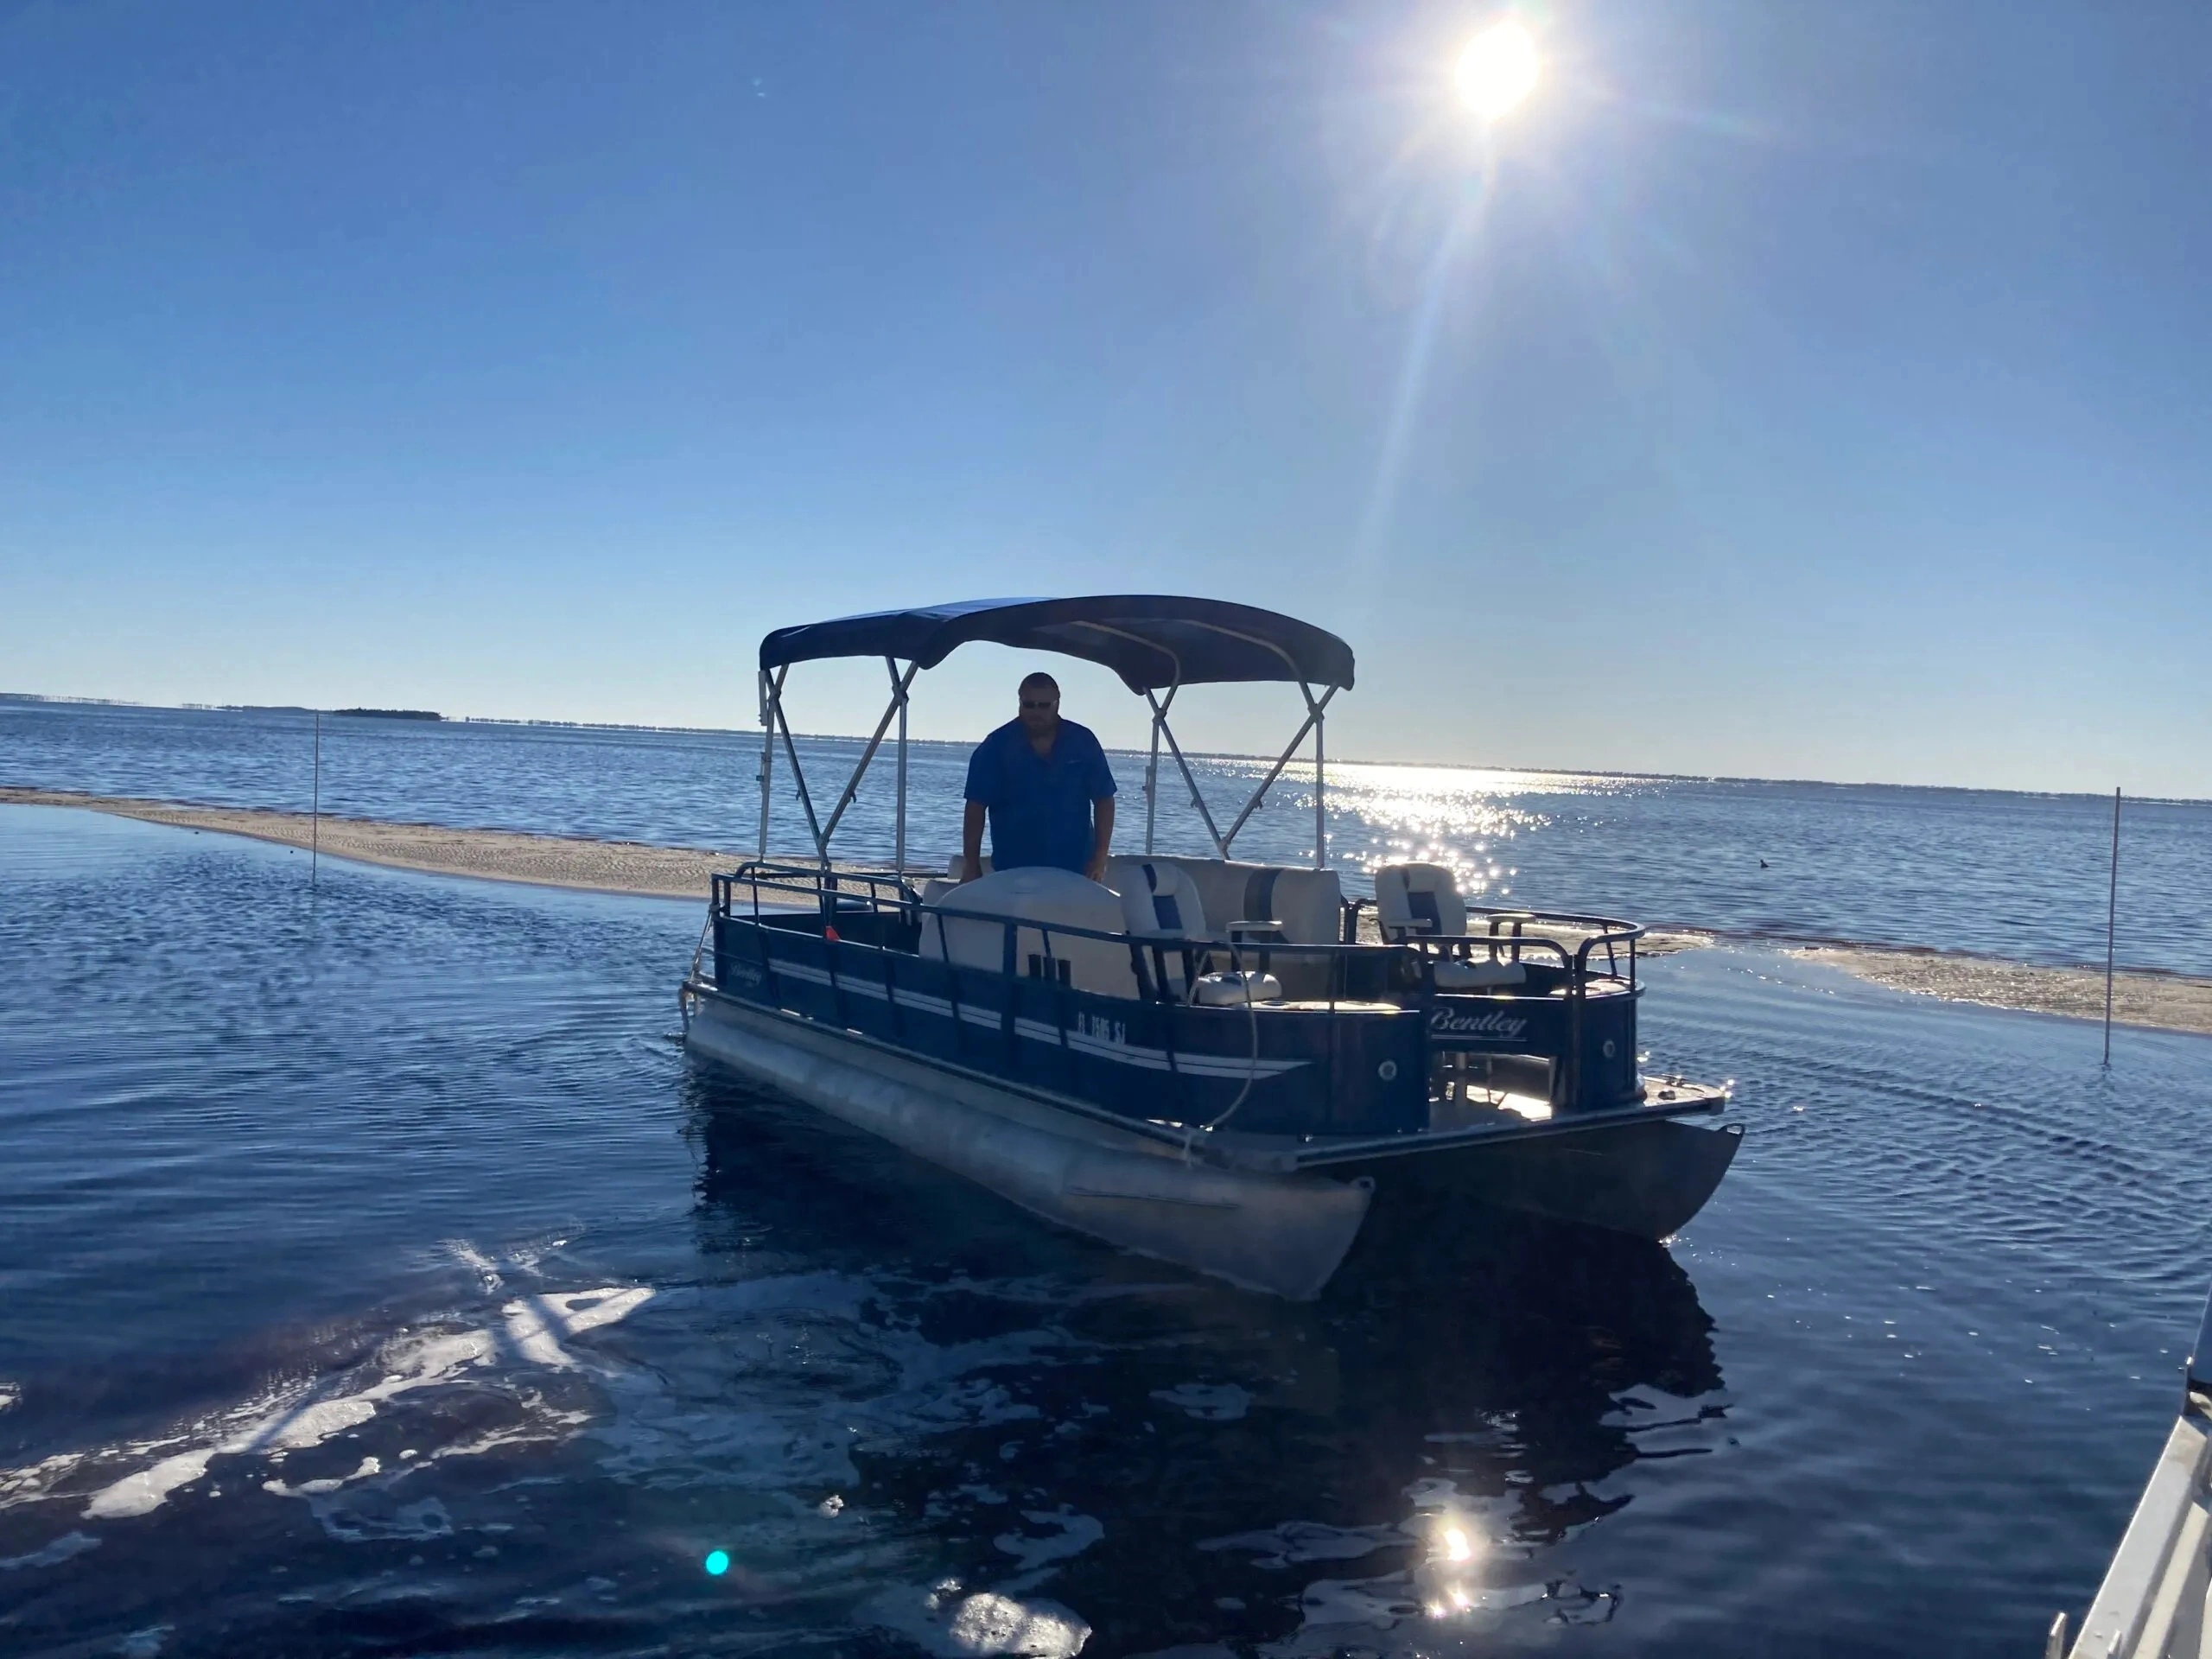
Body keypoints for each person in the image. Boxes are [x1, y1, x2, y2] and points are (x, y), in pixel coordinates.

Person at [958, 672, 1116, 883]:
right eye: (1029, 704)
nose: (1036, 712)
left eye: (1044, 705)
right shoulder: (995, 746)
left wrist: (1099, 857)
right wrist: (971, 864)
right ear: (1019, 702)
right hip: (1013, 871)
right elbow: (975, 808)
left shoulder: (1083, 742)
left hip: (1076, 870)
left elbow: (1104, 800)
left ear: (1057, 703)